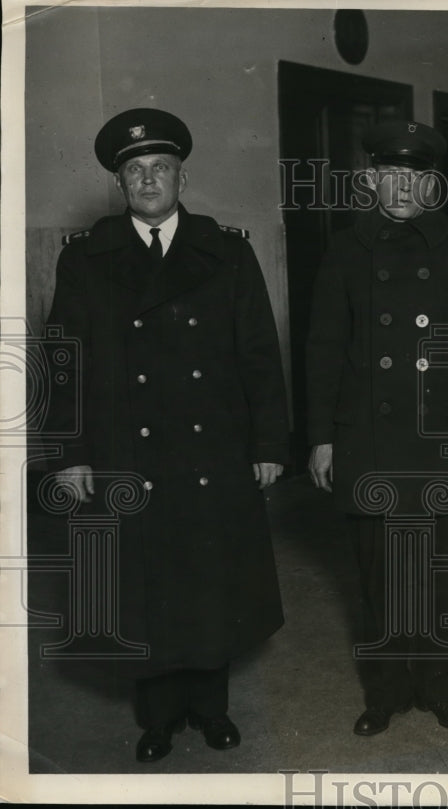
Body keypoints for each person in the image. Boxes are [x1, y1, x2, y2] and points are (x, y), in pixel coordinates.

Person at [44, 108, 290, 762]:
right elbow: (62, 358)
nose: (148, 179)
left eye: (160, 167)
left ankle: (211, 709)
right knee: (144, 585)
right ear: (120, 183)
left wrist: (268, 444)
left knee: (210, 582)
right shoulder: (88, 260)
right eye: (135, 170)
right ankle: (156, 717)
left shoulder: (227, 252)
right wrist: (69, 455)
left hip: (212, 448)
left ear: (182, 174)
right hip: (128, 447)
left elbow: (260, 356)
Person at [306, 120, 448, 737]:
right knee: (377, 576)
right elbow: (323, 347)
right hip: (367, 437)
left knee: (440, 575)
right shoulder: (346, 248)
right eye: (390, 172)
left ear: (433, 182)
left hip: (443, 437)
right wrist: (321, 435)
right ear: (370, 178)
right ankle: (386, 691)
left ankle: (439, 687)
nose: (402, 185)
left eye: (416, 174)